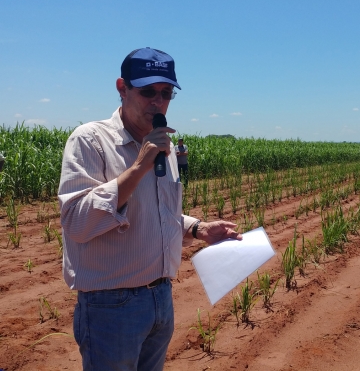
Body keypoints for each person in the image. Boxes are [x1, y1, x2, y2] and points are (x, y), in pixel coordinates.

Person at [58, 47, 242, 371]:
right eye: (147, 92)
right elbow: (76, 222)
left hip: (160, 300)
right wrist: (140, 166)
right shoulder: (90, 141)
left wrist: (198, 229)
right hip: (111, 308)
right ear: (122, 88)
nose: (158, 102)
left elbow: (159, 213)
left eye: (166, 93)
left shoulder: (165, 148)